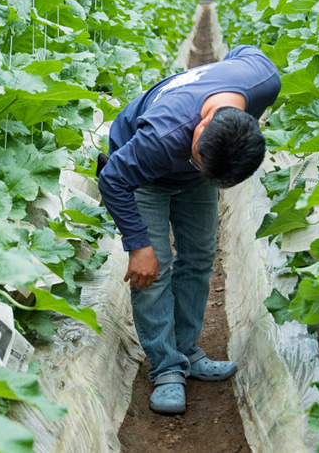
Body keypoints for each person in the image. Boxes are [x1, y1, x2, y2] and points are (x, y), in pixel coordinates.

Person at [96, 44, 280, 415]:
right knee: (154, 268)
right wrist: (138, 245)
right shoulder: (160, 138)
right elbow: (113, 180)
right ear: (201, 125)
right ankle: (166, 368)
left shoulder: (263, 81)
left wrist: (210, 79)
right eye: (196, 159)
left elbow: (245, 51)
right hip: (142, 178)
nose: (198, 167)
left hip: (201, 161)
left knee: (198, 256)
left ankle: (186, 350)